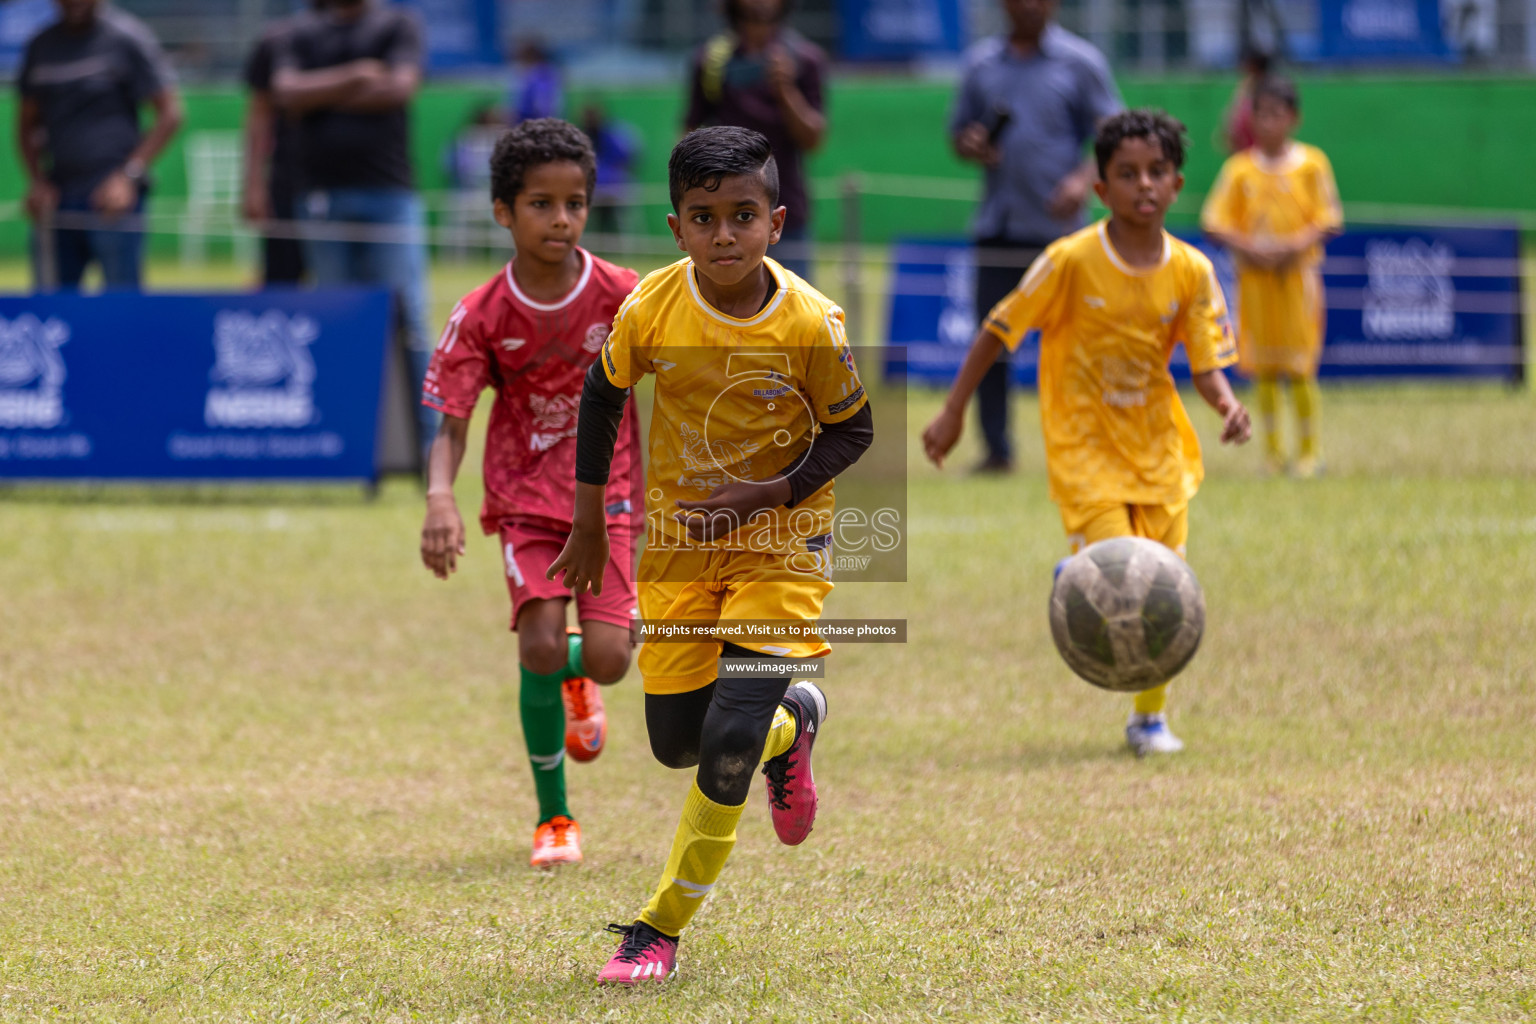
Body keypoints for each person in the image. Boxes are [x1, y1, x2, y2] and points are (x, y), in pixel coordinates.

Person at [549, 126, 872, 982]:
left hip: (781, 546)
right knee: (678, 743)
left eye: (742, 215)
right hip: (680, 551)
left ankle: (657, 930)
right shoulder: (652, 306)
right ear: (676, 226)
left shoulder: (809, 320)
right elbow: (603, 393)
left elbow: (856, 428)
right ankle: (794, 724)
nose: (724, 235)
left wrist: (767, 494)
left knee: (728, 742)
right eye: (704, 217)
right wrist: (589, 523)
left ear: (776, 220)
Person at [922, 110, 1252, 756]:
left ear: (1178, 184)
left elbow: (1206, 365)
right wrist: (954, 410)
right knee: (1127, 574)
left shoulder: (1192, 270)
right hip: (1084, 449)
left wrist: (1227, 407)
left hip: (1159, 450)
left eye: (1156, 172)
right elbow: (999, 329)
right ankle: (1085, 572)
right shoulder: (1070, 260)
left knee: (1166, 590)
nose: (1144, 185)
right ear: (1100, 190)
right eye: (1127, 174)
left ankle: (1148, 719)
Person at [419, 119, 644, 869]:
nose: (562, 220)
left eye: (576, 203)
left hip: (608, 496)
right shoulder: (482, 313)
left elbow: (676, 386)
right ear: (502, 212)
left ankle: (579, 675)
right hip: (523, 499)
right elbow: (452, 422)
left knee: (610, 658)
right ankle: (555, 820)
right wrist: (439, 499)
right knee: (539, 642)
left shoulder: (623, 295)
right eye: (542, 204)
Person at [949, 0, 1121, 473]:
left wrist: (1082, 179)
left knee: (1079, 348)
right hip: (998, 226)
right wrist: (971, 144)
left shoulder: (1081, 62)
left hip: (1061, 236)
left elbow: (1113, 137)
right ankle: (996, 452)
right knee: (991, 344)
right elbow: (957, 135)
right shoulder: (980, 63)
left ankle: (1085, 448)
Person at [271, 0, 435, 446]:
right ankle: (349, 439)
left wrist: (318, 95)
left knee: (410, 318)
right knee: (338, 321)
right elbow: (284, 93)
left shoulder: (399, 25)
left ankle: (426, 444)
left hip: (389, 194)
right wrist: (358, 75)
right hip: (320, 195)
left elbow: (399, 89)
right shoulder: (300, 33)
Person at [1202, 76, 1342, 478]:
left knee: (1299, 366)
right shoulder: (1240, 169)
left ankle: (1309, 452)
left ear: (1293, 118)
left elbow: (1329, 219)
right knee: (1262, 367)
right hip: (1255, 280)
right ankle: (1272, 452)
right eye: (1260, 114)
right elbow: (1215, 221)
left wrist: (1292, 246)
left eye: (1276, 114)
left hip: (1298, 279)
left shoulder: (1312, 163)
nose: (1268, 123)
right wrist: (1249, 249)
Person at [16, 0, 183, 291]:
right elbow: (26, 125)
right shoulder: (41, 45)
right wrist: (37, 181)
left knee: (122, 310)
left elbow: (170, 114)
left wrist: (128, 176)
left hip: (113, 199)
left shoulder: (128, 36)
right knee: (52, 309)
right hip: (57, 198)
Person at [684, 0, 826, 282]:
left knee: (793, 312)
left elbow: (813, 139)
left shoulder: (804, 59)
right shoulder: (711, 61)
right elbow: (690, 134)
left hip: (786, 213)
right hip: (722, 215)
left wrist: (786, 90)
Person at [243, 0, 327, 286]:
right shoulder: (280, 37)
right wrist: (253, 184)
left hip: (353, 179)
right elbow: (259, 114)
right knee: (281, 282)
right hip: (289, 179)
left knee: (347, 290)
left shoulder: (371, 34)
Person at [580, 103, 640, 244]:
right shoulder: (582, 139)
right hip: (592, 190)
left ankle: (616, 245)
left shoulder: (612, 136)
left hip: (614, 188)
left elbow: (628, 157)